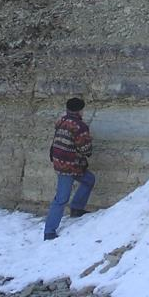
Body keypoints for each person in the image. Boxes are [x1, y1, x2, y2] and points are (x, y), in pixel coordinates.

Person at [44, 97, 95, 240]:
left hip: (59, 161)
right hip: (70, 165)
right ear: (81, 110)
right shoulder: (80, 126)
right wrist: (88, 149)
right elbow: (85, 148)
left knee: (89, 179)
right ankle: (49, 232)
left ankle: (77, 208)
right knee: (61, 198)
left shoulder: (61, 121)